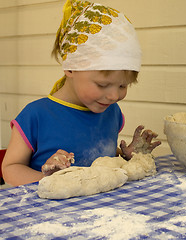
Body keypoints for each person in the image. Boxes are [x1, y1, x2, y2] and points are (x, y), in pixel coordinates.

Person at [2, 0, 161, 187]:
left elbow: (99, 161)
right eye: (103, 84)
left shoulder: (111, 112)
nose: (113, 96)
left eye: (122, 86)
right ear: (70, 68)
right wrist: (48, 180)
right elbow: (10, 169)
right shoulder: (36, 116)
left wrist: (126, 157)